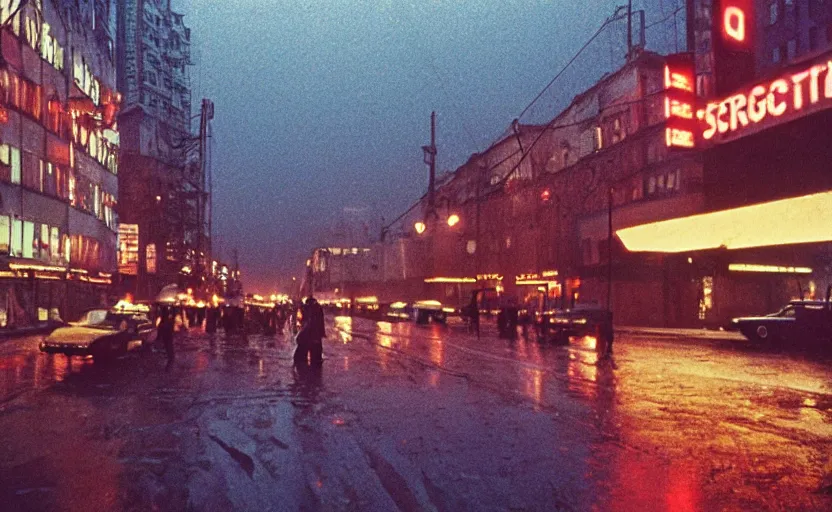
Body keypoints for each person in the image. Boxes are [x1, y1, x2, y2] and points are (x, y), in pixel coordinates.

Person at [294, 296, 325, 366]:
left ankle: (303, 366)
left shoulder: (305, 308)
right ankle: (314, 365)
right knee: (315, 354)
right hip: (315, 333)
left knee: (302, 353)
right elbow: (321, 322)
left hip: (307, 333)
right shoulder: (318, 308)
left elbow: (301, 320)